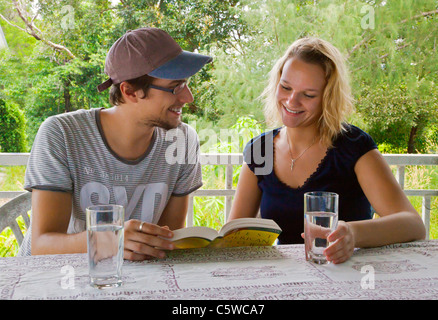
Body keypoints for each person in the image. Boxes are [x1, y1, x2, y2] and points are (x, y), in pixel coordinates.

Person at [19, 27, 212, 260]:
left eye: (186, 84)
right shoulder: (61, 134)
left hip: (128, 279)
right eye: (175, 87)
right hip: (50, 279)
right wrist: (112, 239)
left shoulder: (183, 140)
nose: (188, 97)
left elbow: (165, 241)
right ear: (130, 91)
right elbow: (42, 244)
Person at [229, 37, 426, 264]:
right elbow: (235, 235)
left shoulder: (354, 146)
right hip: (286, 282)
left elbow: (413, 224)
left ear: (328, 98)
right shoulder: (259, 150)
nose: (292, 101)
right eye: (285, 87)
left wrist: (353, 233)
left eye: (308, 94)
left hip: (349, 279)